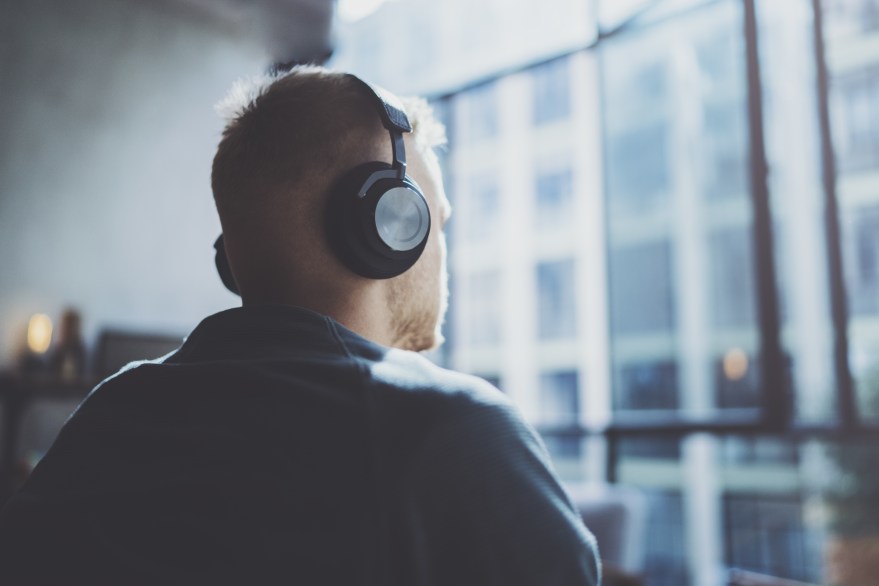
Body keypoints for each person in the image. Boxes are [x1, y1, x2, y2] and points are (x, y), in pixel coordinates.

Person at [0, 66, 600, 585]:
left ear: (229, 257)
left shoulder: (111, 411)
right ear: (389, 227)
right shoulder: (452, 427)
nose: (441, 251)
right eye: (433, 222)